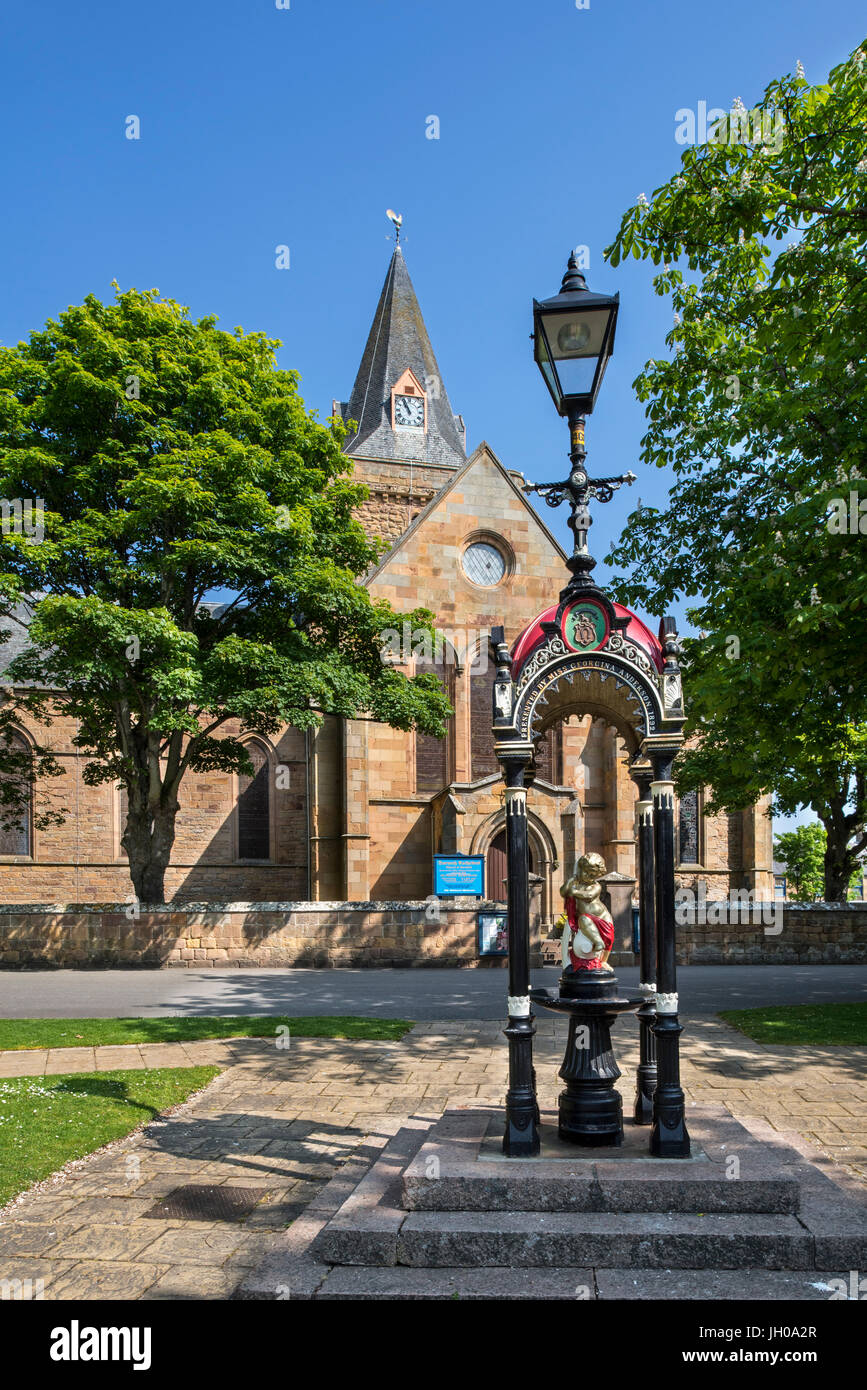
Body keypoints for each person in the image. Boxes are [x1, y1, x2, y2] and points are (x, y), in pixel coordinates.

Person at [560, 851, 615, 973]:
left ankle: (603, 961)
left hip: (603, 917)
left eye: (592, 875)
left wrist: (573, 892)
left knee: (609, 940)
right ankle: (597, 941)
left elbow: (589, 896)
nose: (588, 877)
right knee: (583, 919)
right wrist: (569, 882)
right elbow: (563, 892)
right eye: (586, 873)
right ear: (580, 869)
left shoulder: (596, 886)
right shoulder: (575, 884)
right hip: (587, 918)